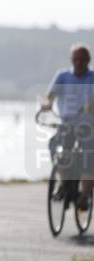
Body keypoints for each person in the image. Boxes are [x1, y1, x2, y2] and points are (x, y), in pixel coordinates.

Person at [41, 43, 94, 211]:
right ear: (71, 59)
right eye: (75, 59)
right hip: (67, 123)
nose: (78, 62)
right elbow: (49, 95)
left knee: (89, 158)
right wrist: (47, 103)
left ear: (88, 60)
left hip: (88, 126)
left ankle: (84, 196)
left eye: (82, 59)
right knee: (57, 148)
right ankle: (64, 184)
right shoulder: (62, 76)